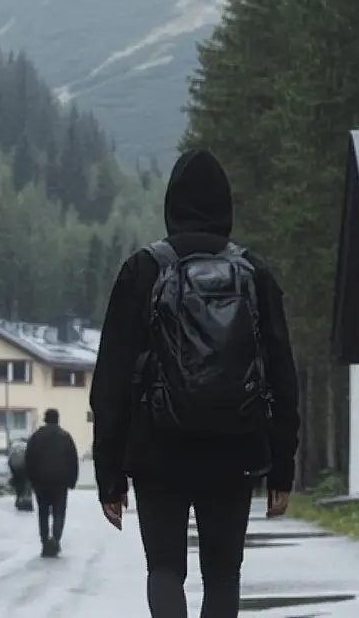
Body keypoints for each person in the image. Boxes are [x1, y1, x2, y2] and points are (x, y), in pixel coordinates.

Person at [90, 149, 299, 618]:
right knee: (223, 573)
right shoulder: (254, 272)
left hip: (157, 448)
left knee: (164, 569)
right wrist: (282, 465)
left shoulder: (142, 270)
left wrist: (110, 474)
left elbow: (112, 380)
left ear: (172, 204)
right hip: (235, 448)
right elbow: (282, 375)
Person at [25, 407, 79, 557]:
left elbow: (28, 459)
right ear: (58, 419)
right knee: (59, 512)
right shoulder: (65, 437)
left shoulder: (36, 437)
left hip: (41, 481)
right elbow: (73, 460)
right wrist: (72, 480)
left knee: (43, 512)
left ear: (45, 419)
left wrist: (31, 479)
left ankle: (44, 541)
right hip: (60, 481)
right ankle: (55, 539)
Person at [8, 438, 33, 510]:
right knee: (27, 483)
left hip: (14, 465)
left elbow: (9, 460)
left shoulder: (14, 445)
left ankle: (18, 499)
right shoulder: (28, 446)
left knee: (18, 483)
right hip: (24, 465)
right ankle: (27, 500)